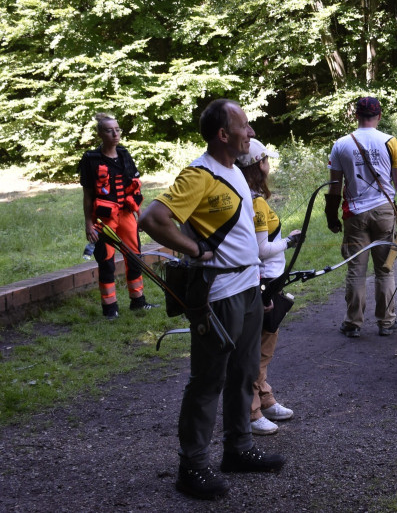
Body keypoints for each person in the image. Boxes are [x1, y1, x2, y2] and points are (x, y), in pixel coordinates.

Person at [139, 99, 285, 500]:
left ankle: (238, 449)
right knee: (208, 381)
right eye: (245, 126)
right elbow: (152, 219)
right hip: (219, 294)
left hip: (247, 288)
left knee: (244, 374)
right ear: (223, 134)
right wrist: (196, 249)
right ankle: (193, 467)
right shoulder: (199, 175)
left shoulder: (235, 171)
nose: (251, 132)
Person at [237, 139, 303, 436]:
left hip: (268, 281)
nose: (269, 166)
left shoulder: (250, 198)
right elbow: (261, 249)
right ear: (257, 165)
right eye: (266, 161)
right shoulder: (256, 202)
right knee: (258, 348)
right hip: (262, 282)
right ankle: (251, 411)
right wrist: (289, 241)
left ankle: (264, 398)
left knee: (265, 344)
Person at [325, 97, 397, 338]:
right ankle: (386, 322)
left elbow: (335, 187)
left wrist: (331, 215)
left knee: (355, 271)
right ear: (379, 116)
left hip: (355, 214)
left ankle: (353, 323)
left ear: (356, 116)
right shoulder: (390, 141)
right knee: (385, 270)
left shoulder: (340, 144)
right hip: (384, 211)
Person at [78, 112, 157, 319]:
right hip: (104, 220)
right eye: (109, 130)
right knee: (106, 261)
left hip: (127, 214)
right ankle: (110, 308)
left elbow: (134, 190)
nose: (115, 134)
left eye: (117, 129)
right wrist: (88, 224)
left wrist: (141, 216)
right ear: (100, 134)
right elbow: (87, 195)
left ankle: (138, 302)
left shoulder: (124, 155)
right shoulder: (90, 159)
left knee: (135, 257)